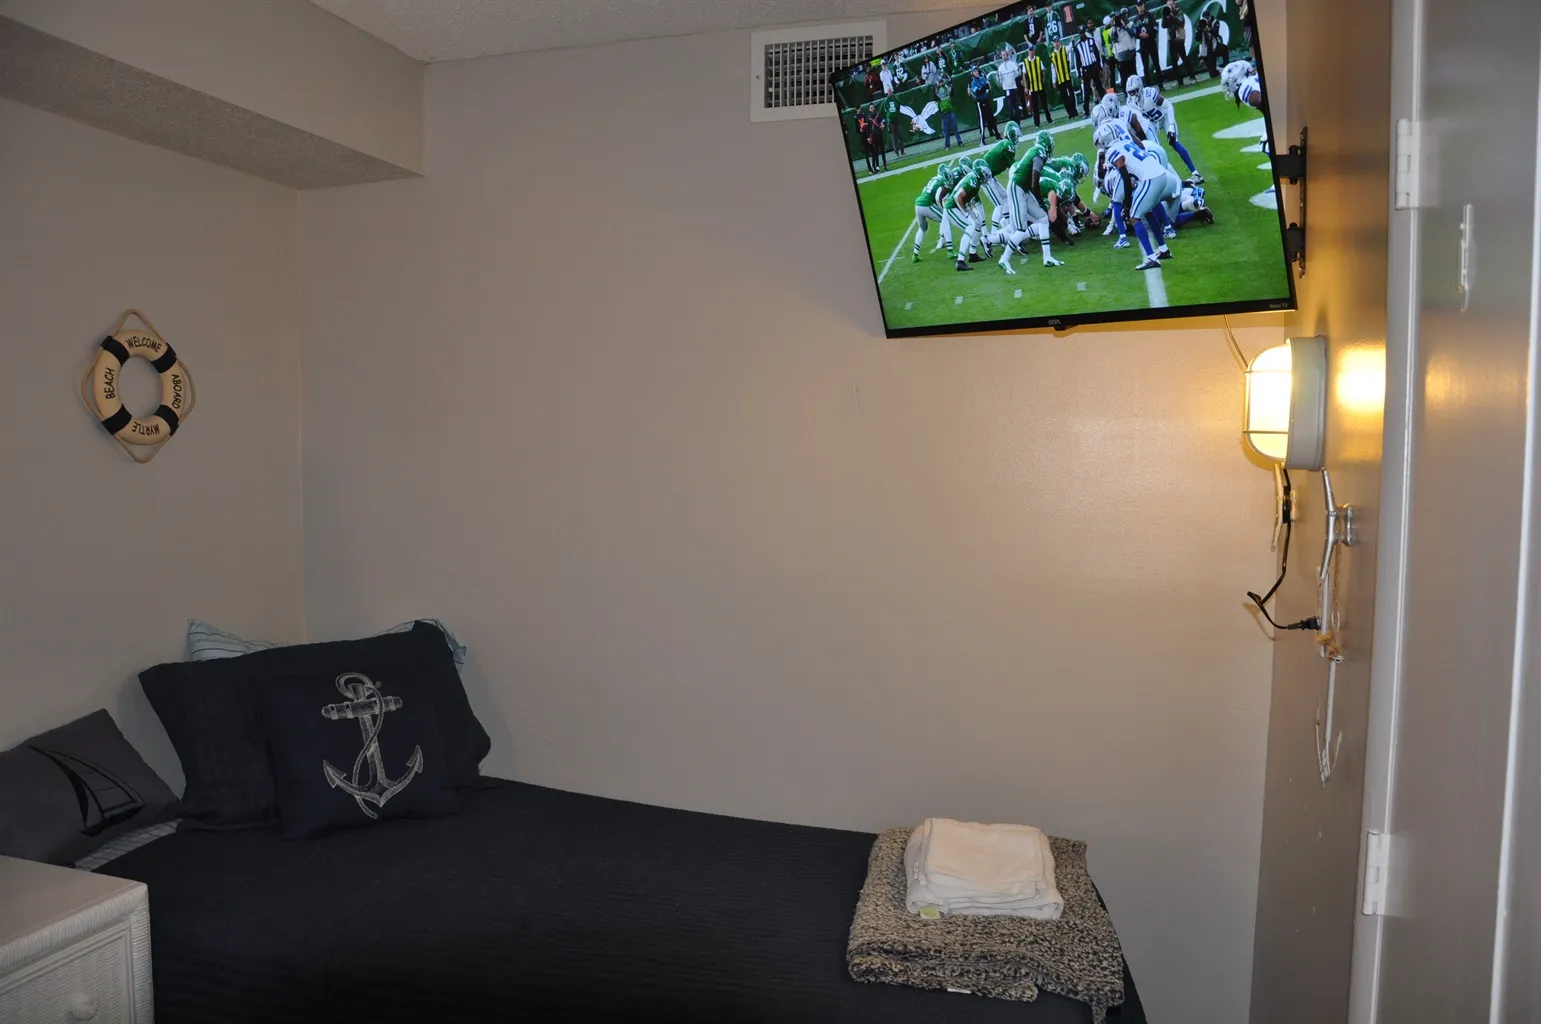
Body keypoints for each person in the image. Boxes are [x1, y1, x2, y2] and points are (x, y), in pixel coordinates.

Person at [1162, 0, 1193, 86]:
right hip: (1171, 38)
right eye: (1168, 4)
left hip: (1179, 37)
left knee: (1184, 57)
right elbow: (1163, 25)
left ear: (1174, 3)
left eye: (1171, 3)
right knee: (1174, 61)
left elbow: (1181, 22)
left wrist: (1171, 16)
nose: (1170, 6)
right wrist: (1165, 15)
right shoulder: (1166, 13)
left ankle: (1192, 76)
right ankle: (1179, 81)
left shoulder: (1179, 11)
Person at [1075, 24, 1105, 111]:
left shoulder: (1091, 41)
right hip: (1085, 69)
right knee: (1086, 90)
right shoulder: (1077, 45)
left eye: (1083, 32)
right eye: (1080, 33)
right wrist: (1079, 75)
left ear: (1085, 32)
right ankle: (1086, 110)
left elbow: (1097, 55)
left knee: (1099, 87)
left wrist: (1100, 68)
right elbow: (1078, 61)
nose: (1082, 34)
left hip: (1093, 66)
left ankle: (1106, 103)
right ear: (1079, 34)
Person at [1133, 3, 1163, 87]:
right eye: (1138, 6)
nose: (1140, 7)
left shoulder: (1150, 15)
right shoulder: (1136, 19)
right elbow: (1134, 32)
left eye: (1141, 5)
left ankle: (1160, 85)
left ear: (1144, 5)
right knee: (1145, 66)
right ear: (1136, 7)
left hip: (1151, 42)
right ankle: (1148, 86)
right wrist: (1139, 35)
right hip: (1143, 44)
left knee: (1156, 63)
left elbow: (1156, 27)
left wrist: (1149, 34)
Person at [1022, 45, 1051, 126]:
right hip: (1032, 87)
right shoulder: (1025, 62)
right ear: (1028, 52)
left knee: (1045, 104)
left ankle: (1049, 120)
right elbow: (1024, 75)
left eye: (1032, 50)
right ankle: (1037, 123)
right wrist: (1026, 87)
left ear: (1034, 51)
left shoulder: (1038, 59)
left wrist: (1043, 80)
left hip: (1040, 86)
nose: (1031, 52)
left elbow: (1043, 71)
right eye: (1030, 51)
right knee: (1035, 107)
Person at [970, 67, 1000, 144]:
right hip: (980, 102)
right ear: (972, 73)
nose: (976, 72)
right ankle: (982, 140)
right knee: (982, 121)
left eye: (976, 71)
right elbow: (977, 92)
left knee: (992, 118)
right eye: (974, 71)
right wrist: (984, 87)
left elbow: (988, 86)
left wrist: (982, 88)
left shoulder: (982, 78)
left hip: (986, 100)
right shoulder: (973, 82)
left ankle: (997, 135)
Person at [1050, 38, 1078, 120]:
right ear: (1053, 44)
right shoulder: (1052, 55)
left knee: (1071, 95)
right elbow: (1053, 69)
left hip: (1067, 77)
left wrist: (1072, 40)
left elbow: (1070, 47)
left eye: (1057, 42)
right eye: (1055, 42)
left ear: (1059, 42)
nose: (1056, 43)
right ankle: (1070, 113)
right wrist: (1054, 81)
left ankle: (1074, 112)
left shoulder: (1064, 49)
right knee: (1064, 97)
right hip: (1060, 79)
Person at [996, 45, 1025, 124]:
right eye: (1003, 55)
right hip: (1006, 90)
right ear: (1001, 56)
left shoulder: (1012, 64)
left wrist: (1018, 69)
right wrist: (998, 75)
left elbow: (1017, 74)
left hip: (1014, 88)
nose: (1004, 56)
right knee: (1010, 107)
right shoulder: (1000, 67)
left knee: (1016, 107)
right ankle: (1013, 123)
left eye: (1005, 55)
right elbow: (999, 80)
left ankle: (1018, 123)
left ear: (1007, 55)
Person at [1112, 12, 1138, 86]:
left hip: (1131, 53)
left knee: (1133, 74)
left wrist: (1124, 26)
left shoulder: (1130, 24)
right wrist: (1115, 27)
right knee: (1124, 76)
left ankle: (1136, 87)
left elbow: (1133, 33)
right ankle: (1125, 91)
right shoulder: (1113, 29)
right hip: (1121, 55)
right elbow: (1114, 39)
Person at [1199, 13, 1226, 78]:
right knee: (1212, 73)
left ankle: (1224, 67)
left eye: (1207, 17)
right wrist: (1199, 30)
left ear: (1210, 16)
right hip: (1206, 47)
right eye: (1205, 18)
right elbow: (1197, 39)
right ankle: (1214, 70)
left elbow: (1216, 32)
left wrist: (1208, 29)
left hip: (1216, 44)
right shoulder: (1202, 24)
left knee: (1225, 49)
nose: (1206, 19)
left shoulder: (1215, 21)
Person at [936, 82, 962, 150]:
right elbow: (934, 94)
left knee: (955, 128)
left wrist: (949, 84)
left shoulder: (946, 91)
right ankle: (947, 146)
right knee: (946, 131)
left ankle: (960, 142)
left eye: (942, 81)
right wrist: (938, 86)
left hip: (950, 112)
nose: (941, 83)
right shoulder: (938, 95)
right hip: (944, 114)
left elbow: (951, 91)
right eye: (940, 82)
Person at [855, 107, 877, 174]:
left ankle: (874, 166)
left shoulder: (864, 115)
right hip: (863, 137)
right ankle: (870, 169)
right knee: (866, 154)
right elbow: (857, 129)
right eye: (858, 109)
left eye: (860, 108)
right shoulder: (855, 117)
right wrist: (860, 130)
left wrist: (866, 125)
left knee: (873, 151)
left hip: (867, 135)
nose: (859, 110)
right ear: (856, 109)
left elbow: (868, 124)